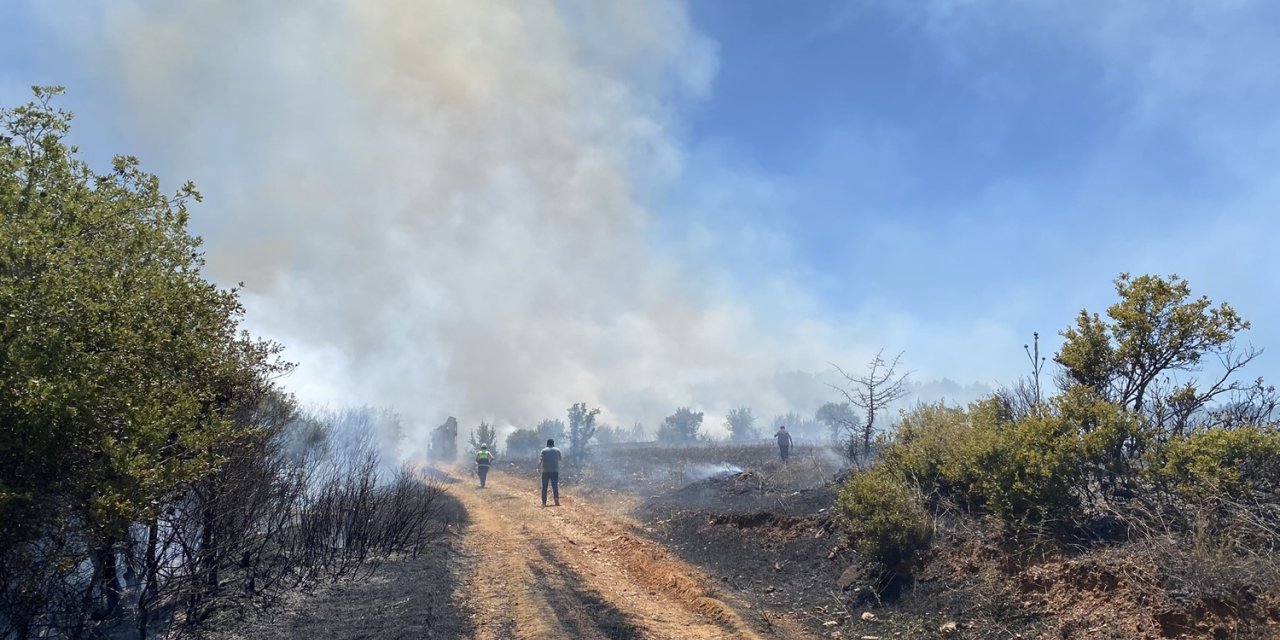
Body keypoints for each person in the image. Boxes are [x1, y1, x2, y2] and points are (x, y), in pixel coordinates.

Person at [537, 438, 562, 507]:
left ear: (547, 444)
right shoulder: (557, 450)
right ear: (553, 443)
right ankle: (556, 499)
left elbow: (541, 459)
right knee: (555, 486)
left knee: (544, 487)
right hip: (555, 471)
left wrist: (538, 467)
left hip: (546, 471)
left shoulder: (544, 450)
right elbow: (560, 459)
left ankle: (544, 502)